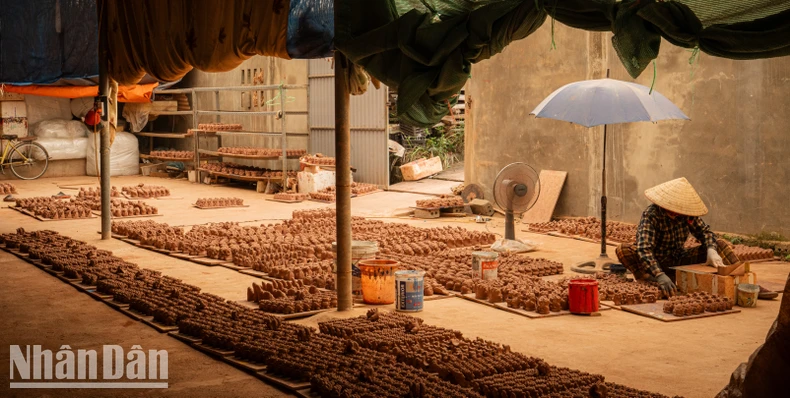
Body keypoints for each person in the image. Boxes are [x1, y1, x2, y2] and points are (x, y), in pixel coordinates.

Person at [615, 177, 777, 299]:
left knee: (720, 244)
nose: (674, 213)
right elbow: (644, 249)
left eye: (677, 209)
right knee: (623, 250)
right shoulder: (651, 215)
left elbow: (705, 233)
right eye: (671, 208)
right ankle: (649, 280)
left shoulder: (686, 214)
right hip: (653, 262)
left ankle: (746, 283)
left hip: (677, 258)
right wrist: (659, 274)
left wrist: (711, 250)